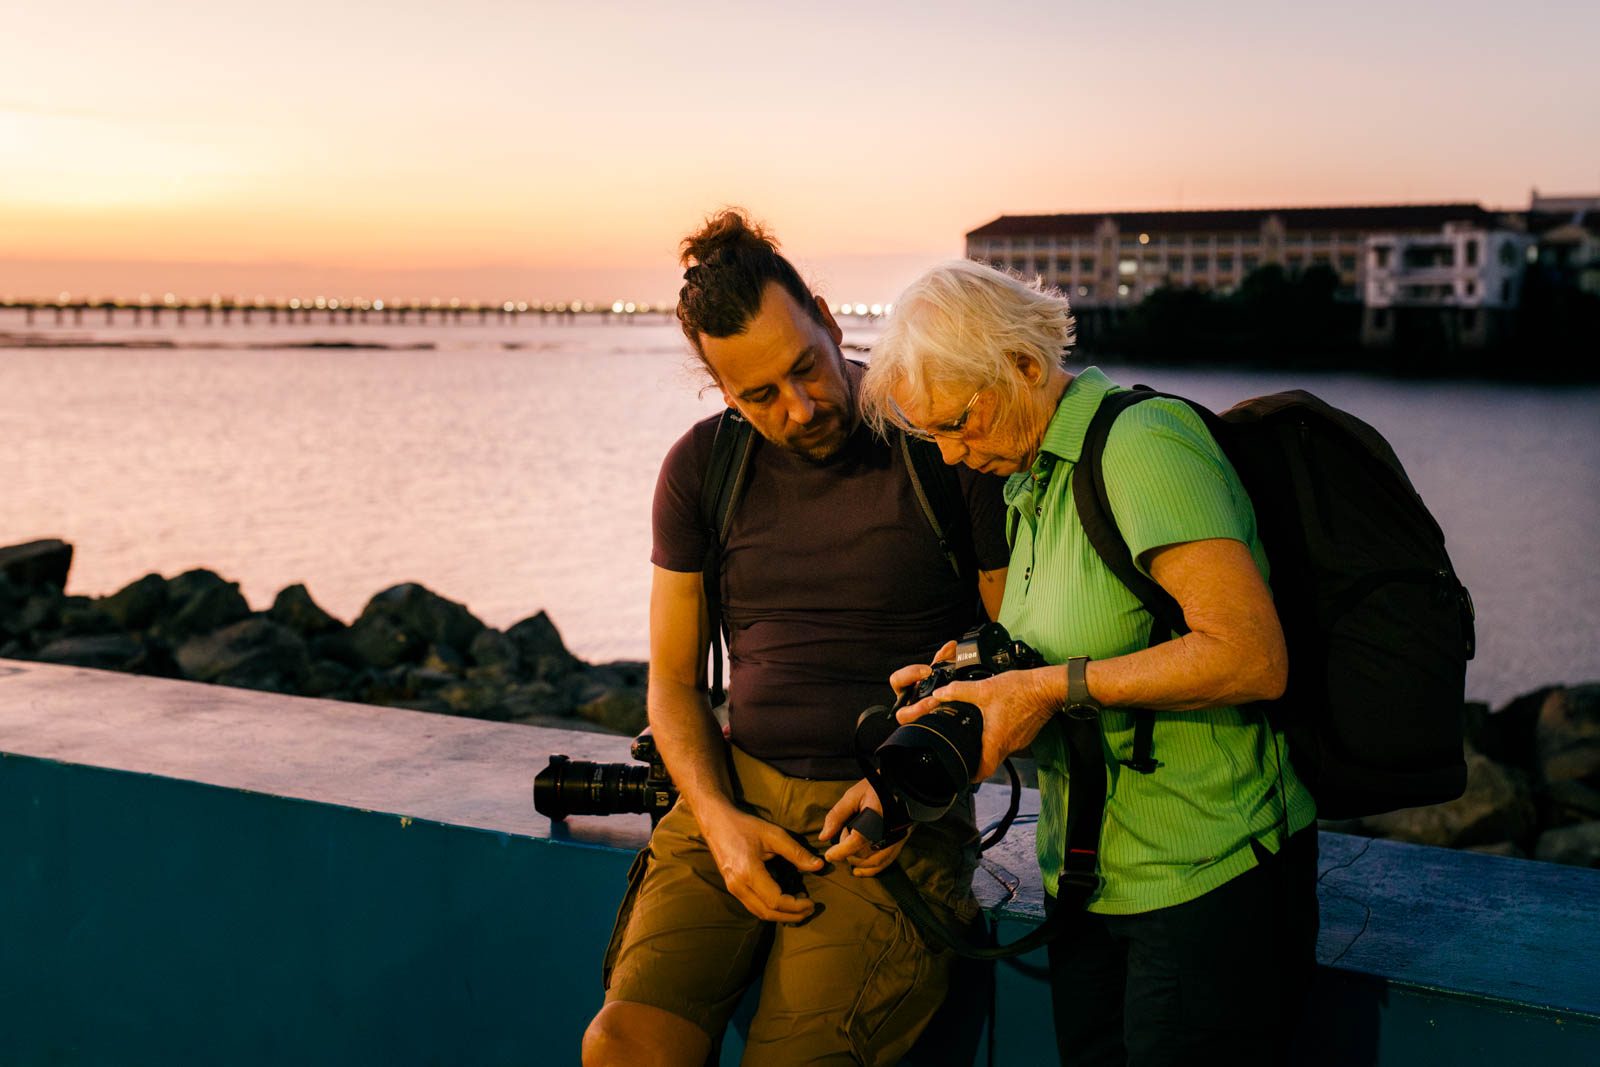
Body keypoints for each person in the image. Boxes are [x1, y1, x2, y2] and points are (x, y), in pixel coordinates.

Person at [859, 259, 1320, 1067]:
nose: (956, 456)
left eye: (961, 422)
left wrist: (1041, 684)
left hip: (1204, 886)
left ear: (1027, 366)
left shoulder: (1143, 446)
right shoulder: (1029, 479)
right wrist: (976, 685)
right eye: (932, 435)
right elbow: (1069, 651)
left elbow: (1252, 655)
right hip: (1091, 886)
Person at [581, 212, 1010, 1067]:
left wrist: (910, 789)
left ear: (825, 314)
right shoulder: (704, 467)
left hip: (893, 817)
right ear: (719, 389)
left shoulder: (937, 445)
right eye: (759, 395)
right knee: (623, 1045)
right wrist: (719, 821)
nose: (801, 407)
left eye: (804, 368)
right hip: (733, 796)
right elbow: (671, 682)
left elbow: (1011, 654)